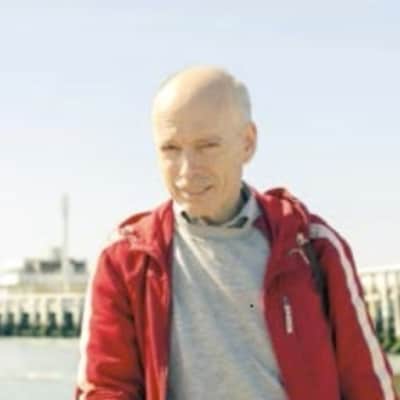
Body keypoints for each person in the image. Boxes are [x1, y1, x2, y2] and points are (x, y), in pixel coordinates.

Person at [75, 66, 398, 400]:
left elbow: (368, 386)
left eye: (207, 145)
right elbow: (105, 388)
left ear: (247, 143)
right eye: (170, 149)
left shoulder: (313, 245)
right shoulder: (125, 259)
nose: (187, 170)